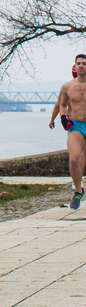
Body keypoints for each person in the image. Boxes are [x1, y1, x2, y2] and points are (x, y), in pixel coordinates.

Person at [54, 54, 86, 209]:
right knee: (74, 159)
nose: (81, 66)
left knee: (82, 159)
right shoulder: (67, 86)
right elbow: (61, 104)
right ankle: (79, 190)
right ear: (75, 66)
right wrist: (62, 117)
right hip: (76, 125)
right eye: (79, 63)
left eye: (84, 63)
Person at [48, 64, 76, 130]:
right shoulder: (67, 87)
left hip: (72, 121)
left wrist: (52, 120)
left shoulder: (67, 87)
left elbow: (58, 104)